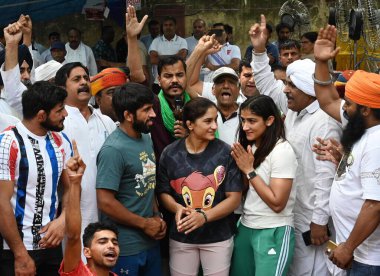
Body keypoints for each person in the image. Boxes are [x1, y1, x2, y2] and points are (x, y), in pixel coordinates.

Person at [249, 15, 342, 276]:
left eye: (291, 84)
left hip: (313, 217)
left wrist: (319, 221)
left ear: (308, 88)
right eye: (287, 83)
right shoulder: (295, 109)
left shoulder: (324, 121)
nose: (285, 89)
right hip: (294, 209)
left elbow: (325, 176)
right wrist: (258, 50)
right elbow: (267, 84)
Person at [313, 24, 380, 275]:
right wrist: (320, 61)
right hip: (355, 252)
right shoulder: (360, 125)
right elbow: (327, 98)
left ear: (365, 109)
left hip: (368, 259)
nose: (343, 107)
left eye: (349, 104)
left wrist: (349, 247)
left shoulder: (377, 142)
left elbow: (375, 205)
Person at [156, 97, 243, 276]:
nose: (214, 126)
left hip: (218, 237)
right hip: (181, 235)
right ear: (190, 124)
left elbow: (234, 198)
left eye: (215, 120)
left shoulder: (225, 153)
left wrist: (204, 217)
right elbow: (163, 192)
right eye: (208, 121)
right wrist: (178, 207)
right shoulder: (170, 153)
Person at [0, 81, 72, 275]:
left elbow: (70, 187)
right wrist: (20, 254)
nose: (65, 114)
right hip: (13, 249)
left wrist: (63, 219)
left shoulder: (61, 140)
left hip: (51, 245)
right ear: (41, 115)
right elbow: (1, 203)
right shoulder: (9, 142)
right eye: (60, 110)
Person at [96, 82, 166, 276]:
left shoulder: (145, 138)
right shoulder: (113, 150)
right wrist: (144, 224)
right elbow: (105, 201)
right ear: (128, 115)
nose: (153, 114)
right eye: (146, 110)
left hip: (150, 242)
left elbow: (147, 179)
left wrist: (156, 217)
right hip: (124, 248)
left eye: (152, 108)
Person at [230, 95, 298, 276]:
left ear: (269, 120)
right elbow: (245, 190)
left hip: (273, 230)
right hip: (246, 226)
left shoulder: (282, 150)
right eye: (243, 120)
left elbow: (277, 203)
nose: (245, 127)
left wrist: (249, 171)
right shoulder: (250, 147)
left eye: (252, 121)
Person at [59, 140, 120, 275]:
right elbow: (74, 236)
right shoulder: (78, 273)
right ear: (87, 252)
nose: (111, 246)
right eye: (103, 242)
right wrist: (75, 182)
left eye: (115, 243)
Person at [0, 15, 33, 118]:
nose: (27, 76)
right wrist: (11, 44)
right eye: (20, 71)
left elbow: (25, 54)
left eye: (29, 70)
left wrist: (27, 34)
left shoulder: (30, 97)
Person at [149, 16, 187, 94]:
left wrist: (160, 57)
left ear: (175, 27)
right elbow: (153, 59)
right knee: (159, 105)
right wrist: (176, 56)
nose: (168, 27)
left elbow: (182, 57)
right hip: (158, 82)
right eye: (165, 25)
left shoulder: (182, 41)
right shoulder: (156, 41)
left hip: (177, 81)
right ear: (162, 27)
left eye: (170, 25)